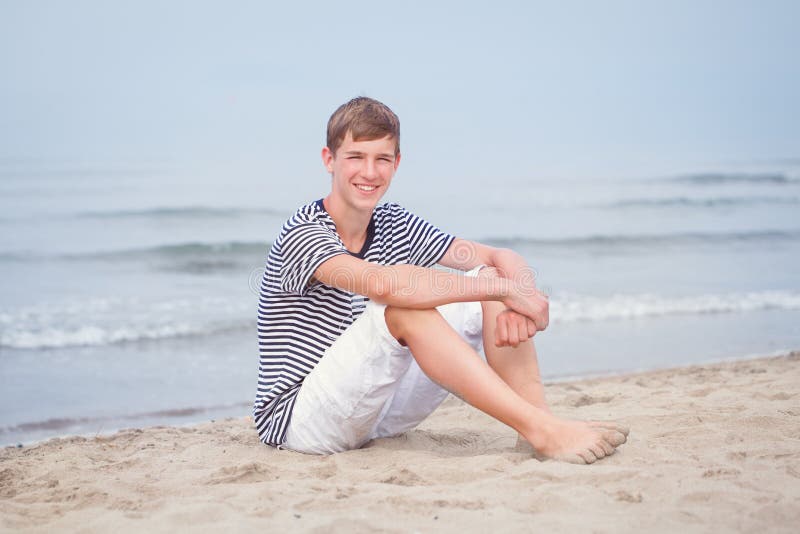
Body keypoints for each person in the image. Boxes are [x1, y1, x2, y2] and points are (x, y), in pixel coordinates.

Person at [253, 96, 628, 464]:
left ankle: (537, 422)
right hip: (300, 420)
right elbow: (385, 285)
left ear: (396, 164)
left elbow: (497, 257)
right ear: (329, 160)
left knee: (487, 276)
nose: (369, 172)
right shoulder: (303, 234)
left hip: (374, 410)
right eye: (355, 157)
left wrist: (517, 290)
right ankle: (542, 429)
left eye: (381, 159)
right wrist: (502, 289)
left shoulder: (394, 222)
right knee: (405, 308)